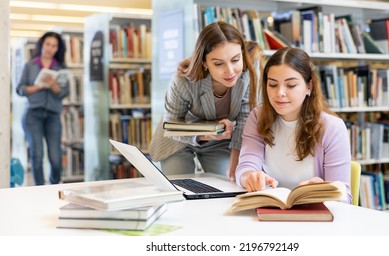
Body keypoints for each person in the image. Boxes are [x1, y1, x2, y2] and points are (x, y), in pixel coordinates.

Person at [235, 47, 352, 203]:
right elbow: (245, 166)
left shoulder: (332, 128)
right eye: (272, 85)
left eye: (290, 85)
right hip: (268, 212)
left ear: (309, 87)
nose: (280, 93)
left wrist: (323, 191)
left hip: (314, 218)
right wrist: (249, 176)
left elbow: (345, 198)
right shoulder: (258, 117)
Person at [148, 21, 259, 180]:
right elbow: (172, 125)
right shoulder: (183, 80)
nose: (230, 71)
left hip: (220, 142)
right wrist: (205, 135)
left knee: (226, 185)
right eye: (219, 63)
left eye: (235, 60)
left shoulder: (249, 69)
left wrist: (237, 160)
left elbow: (244, 116)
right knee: (181, 189)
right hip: (178, 140)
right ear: (205, 63)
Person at [16, 31, 70, 186]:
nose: (50, 48)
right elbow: (20, 89)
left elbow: (64, 93)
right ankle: (39, 190)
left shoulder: (60, 68)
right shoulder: (30, 65)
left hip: (53, 115)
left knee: (55, 157)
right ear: (42, 45)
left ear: (57, 49)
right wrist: (38, 86)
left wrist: (53, 86)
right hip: (33, 115)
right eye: (48, 44)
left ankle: (54, 187)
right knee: (37, 154)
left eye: (54, 46)